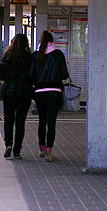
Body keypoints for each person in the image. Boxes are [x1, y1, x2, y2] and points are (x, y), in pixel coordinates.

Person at [29, 30, 69, 162]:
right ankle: (48, 152)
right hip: (54, 92)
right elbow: (64, 75)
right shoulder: (58, 54)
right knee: (51, 123)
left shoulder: (36, 55)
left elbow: (31, 75)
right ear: (52, 41)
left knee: (42, 120)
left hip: (39, 93)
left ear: (41, 41)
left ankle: (41, 148)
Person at [0, 33, 33, 159]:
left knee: (8, 120)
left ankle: (8, 144)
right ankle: (17, 151)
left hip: (9, 93)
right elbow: (32, 75)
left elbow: (1, 76)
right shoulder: (29, 57)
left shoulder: (7, 56)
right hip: (24, 93)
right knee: (20, 122)